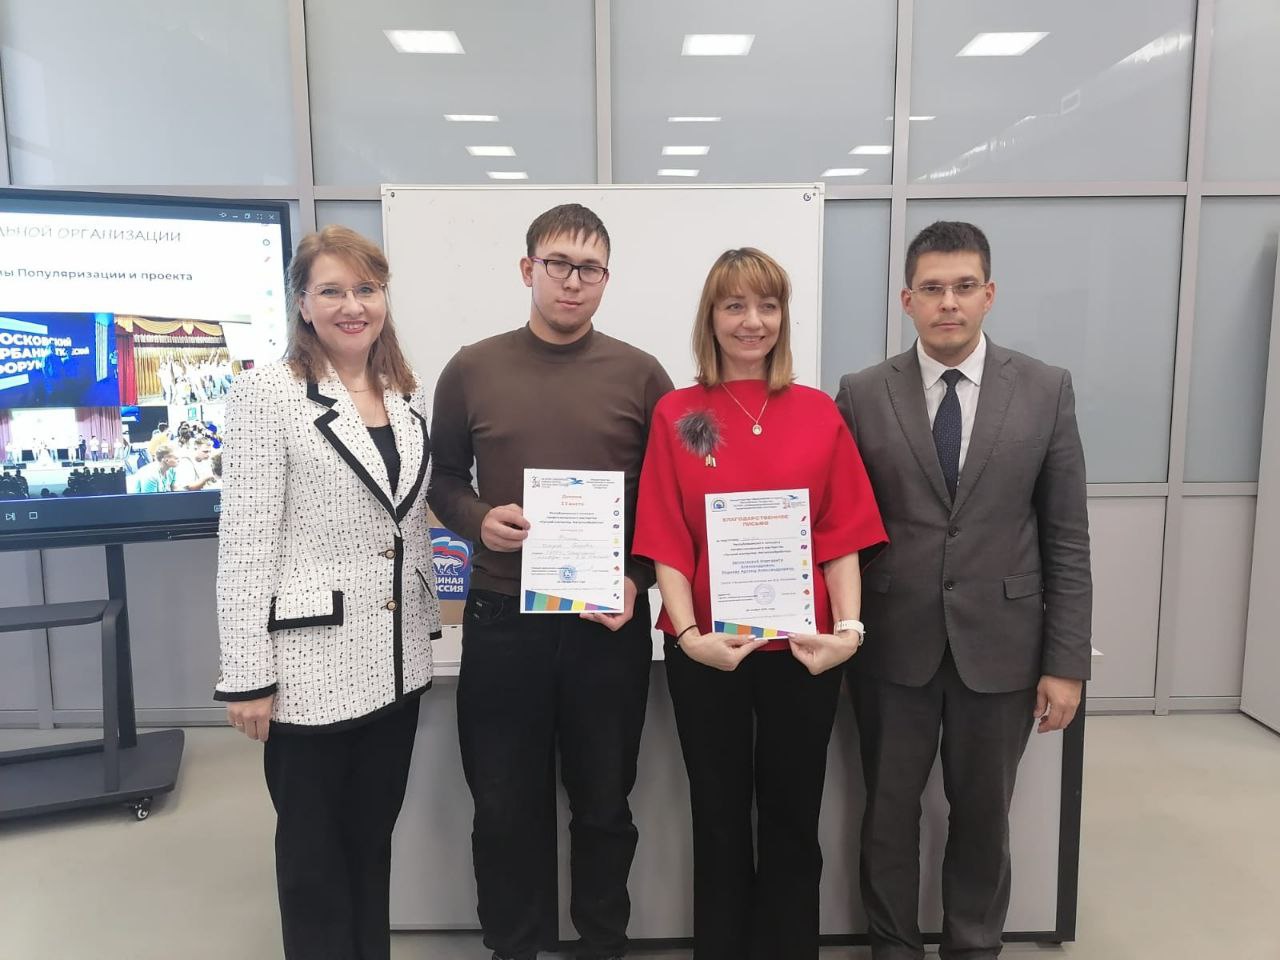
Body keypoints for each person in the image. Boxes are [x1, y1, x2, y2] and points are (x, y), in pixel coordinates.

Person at [834, 221, 1092, 960]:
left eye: (964, 287)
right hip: (891, 645)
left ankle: (974, 946)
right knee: (888, 815)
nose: (949, 302)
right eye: (933, 289)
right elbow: (840, 526)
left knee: (983, 816)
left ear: (989, 294)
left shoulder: (1044, 389)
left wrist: (1066, 661)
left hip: (1003, 647)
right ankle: (892, 947)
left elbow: (1067, 537)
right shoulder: (862, 393)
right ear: (907, 300)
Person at [427, 203, 673, 960]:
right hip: (504, 617)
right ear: (527, 268)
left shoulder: (642, 374)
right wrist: (479, 520)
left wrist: (638, 578)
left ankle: (603, 944)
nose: (572, 281)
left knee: (604, 805)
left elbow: (666, 500)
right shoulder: (472, 368)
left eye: (588, 268)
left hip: (606, 620)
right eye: (558, 263)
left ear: (606, 279)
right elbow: (442, 480)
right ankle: (513, 947)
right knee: (504, 806)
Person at [633, 248, 886, 960]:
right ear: (710, 317)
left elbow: (841, 533)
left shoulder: (817, 412)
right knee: (717, 820)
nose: (753, 321)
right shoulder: (679, 414)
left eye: (768, 306)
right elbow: (666, 536)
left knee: (793, 820)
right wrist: (688, 637)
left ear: (783, 317)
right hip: (708, 653)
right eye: (735, 305)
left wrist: (849, 631)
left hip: (805, 654)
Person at [213, 225, 441, 960]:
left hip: (396, 662)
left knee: (371, 844)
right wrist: (248, 676)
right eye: (332, 291)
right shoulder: (267, 394)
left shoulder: (405, 393)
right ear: (303, 303)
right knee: (314, 858)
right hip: (307, 669)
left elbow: (406, 521)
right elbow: (245, 543)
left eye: (366, 289)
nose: (353, 306)